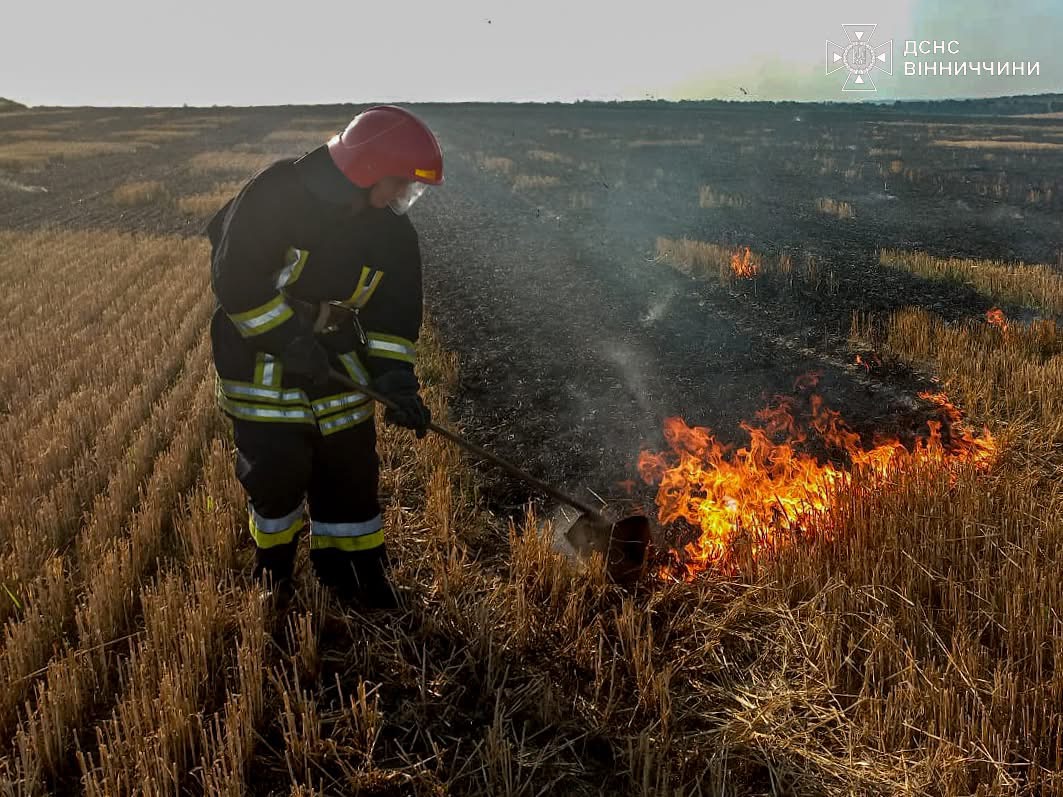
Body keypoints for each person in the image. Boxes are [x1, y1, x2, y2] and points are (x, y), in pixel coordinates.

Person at [206, 105, 443, 609]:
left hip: (334, 354)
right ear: (368, 169)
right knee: (277, 469)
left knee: (350, 467)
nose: (403, 195)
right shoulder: (276, 194)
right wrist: (288, 341)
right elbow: (236, 281)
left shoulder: (393, 234)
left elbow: (393, 316)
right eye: (400, 182)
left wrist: (397, 383)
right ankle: (273, 570)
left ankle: (353, 573)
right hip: (259, 357)